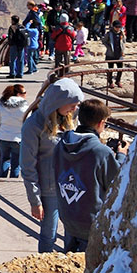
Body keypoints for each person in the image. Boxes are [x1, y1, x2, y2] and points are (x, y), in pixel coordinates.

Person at [52, 99, 126, 253]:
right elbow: (116, 183)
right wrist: (121, 156)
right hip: (92, 222)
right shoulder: (100, 152)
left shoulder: (61, 144)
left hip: (69, 216)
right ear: (100, 123)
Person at [20, 77, 84, 253]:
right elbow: (27, 166)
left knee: (73, 234)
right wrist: (35, 200)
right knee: (49, 235)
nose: (75, 108)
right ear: (58, 102)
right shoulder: (33, 125)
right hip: (49, 190)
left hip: (72, 186)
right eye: (72, 104)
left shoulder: (70, 118)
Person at [0, 84, 29, 178]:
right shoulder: (24, 106)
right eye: (24, 93)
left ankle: (0, 179)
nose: (26, 94)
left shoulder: (2, 104)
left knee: (4, 160)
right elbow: (28, 123)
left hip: (3, 137)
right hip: (18, 139)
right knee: (16, 164)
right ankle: (13, 181)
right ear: (18, 94)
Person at [103, 20, 125, 88]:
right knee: (110, 69)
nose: (118, 28)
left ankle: (118, 81)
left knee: (120, 68)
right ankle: (110, 82)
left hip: (119, 54)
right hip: (111, 54)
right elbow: (104, 41)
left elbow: (123, 41)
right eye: (116, 27)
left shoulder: (122, 33)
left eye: (119, 27)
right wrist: (109, 47)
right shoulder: (109, 33)